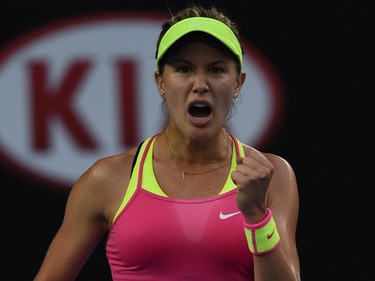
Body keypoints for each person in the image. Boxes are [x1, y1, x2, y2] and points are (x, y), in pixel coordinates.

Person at [34, 3, 300, 281]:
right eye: (184, 69)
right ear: (161, 82)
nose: (200, 83)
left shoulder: (273, 175)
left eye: (216, 70)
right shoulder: (107, 179)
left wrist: (257, 216)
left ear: (238, 83)